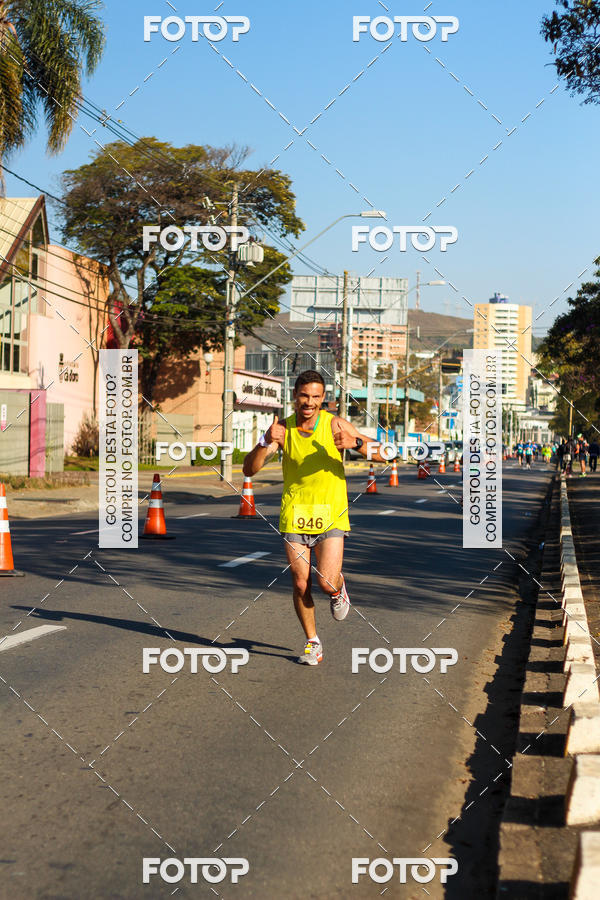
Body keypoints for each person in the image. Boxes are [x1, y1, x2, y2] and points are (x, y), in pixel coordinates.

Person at [242, 370, 388, 666]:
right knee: (299, 583)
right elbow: (249, 469)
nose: (309, 402)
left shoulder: (335, 424)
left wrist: (356, 444)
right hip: (296, 513)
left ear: (323, 399)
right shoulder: (282, 429)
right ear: (294, 396)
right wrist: (264, 442)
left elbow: (386, 453)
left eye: (315, 397)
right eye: (304, 396)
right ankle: (312, 642)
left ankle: (338, 587)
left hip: (331, 513)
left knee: (325, 583)